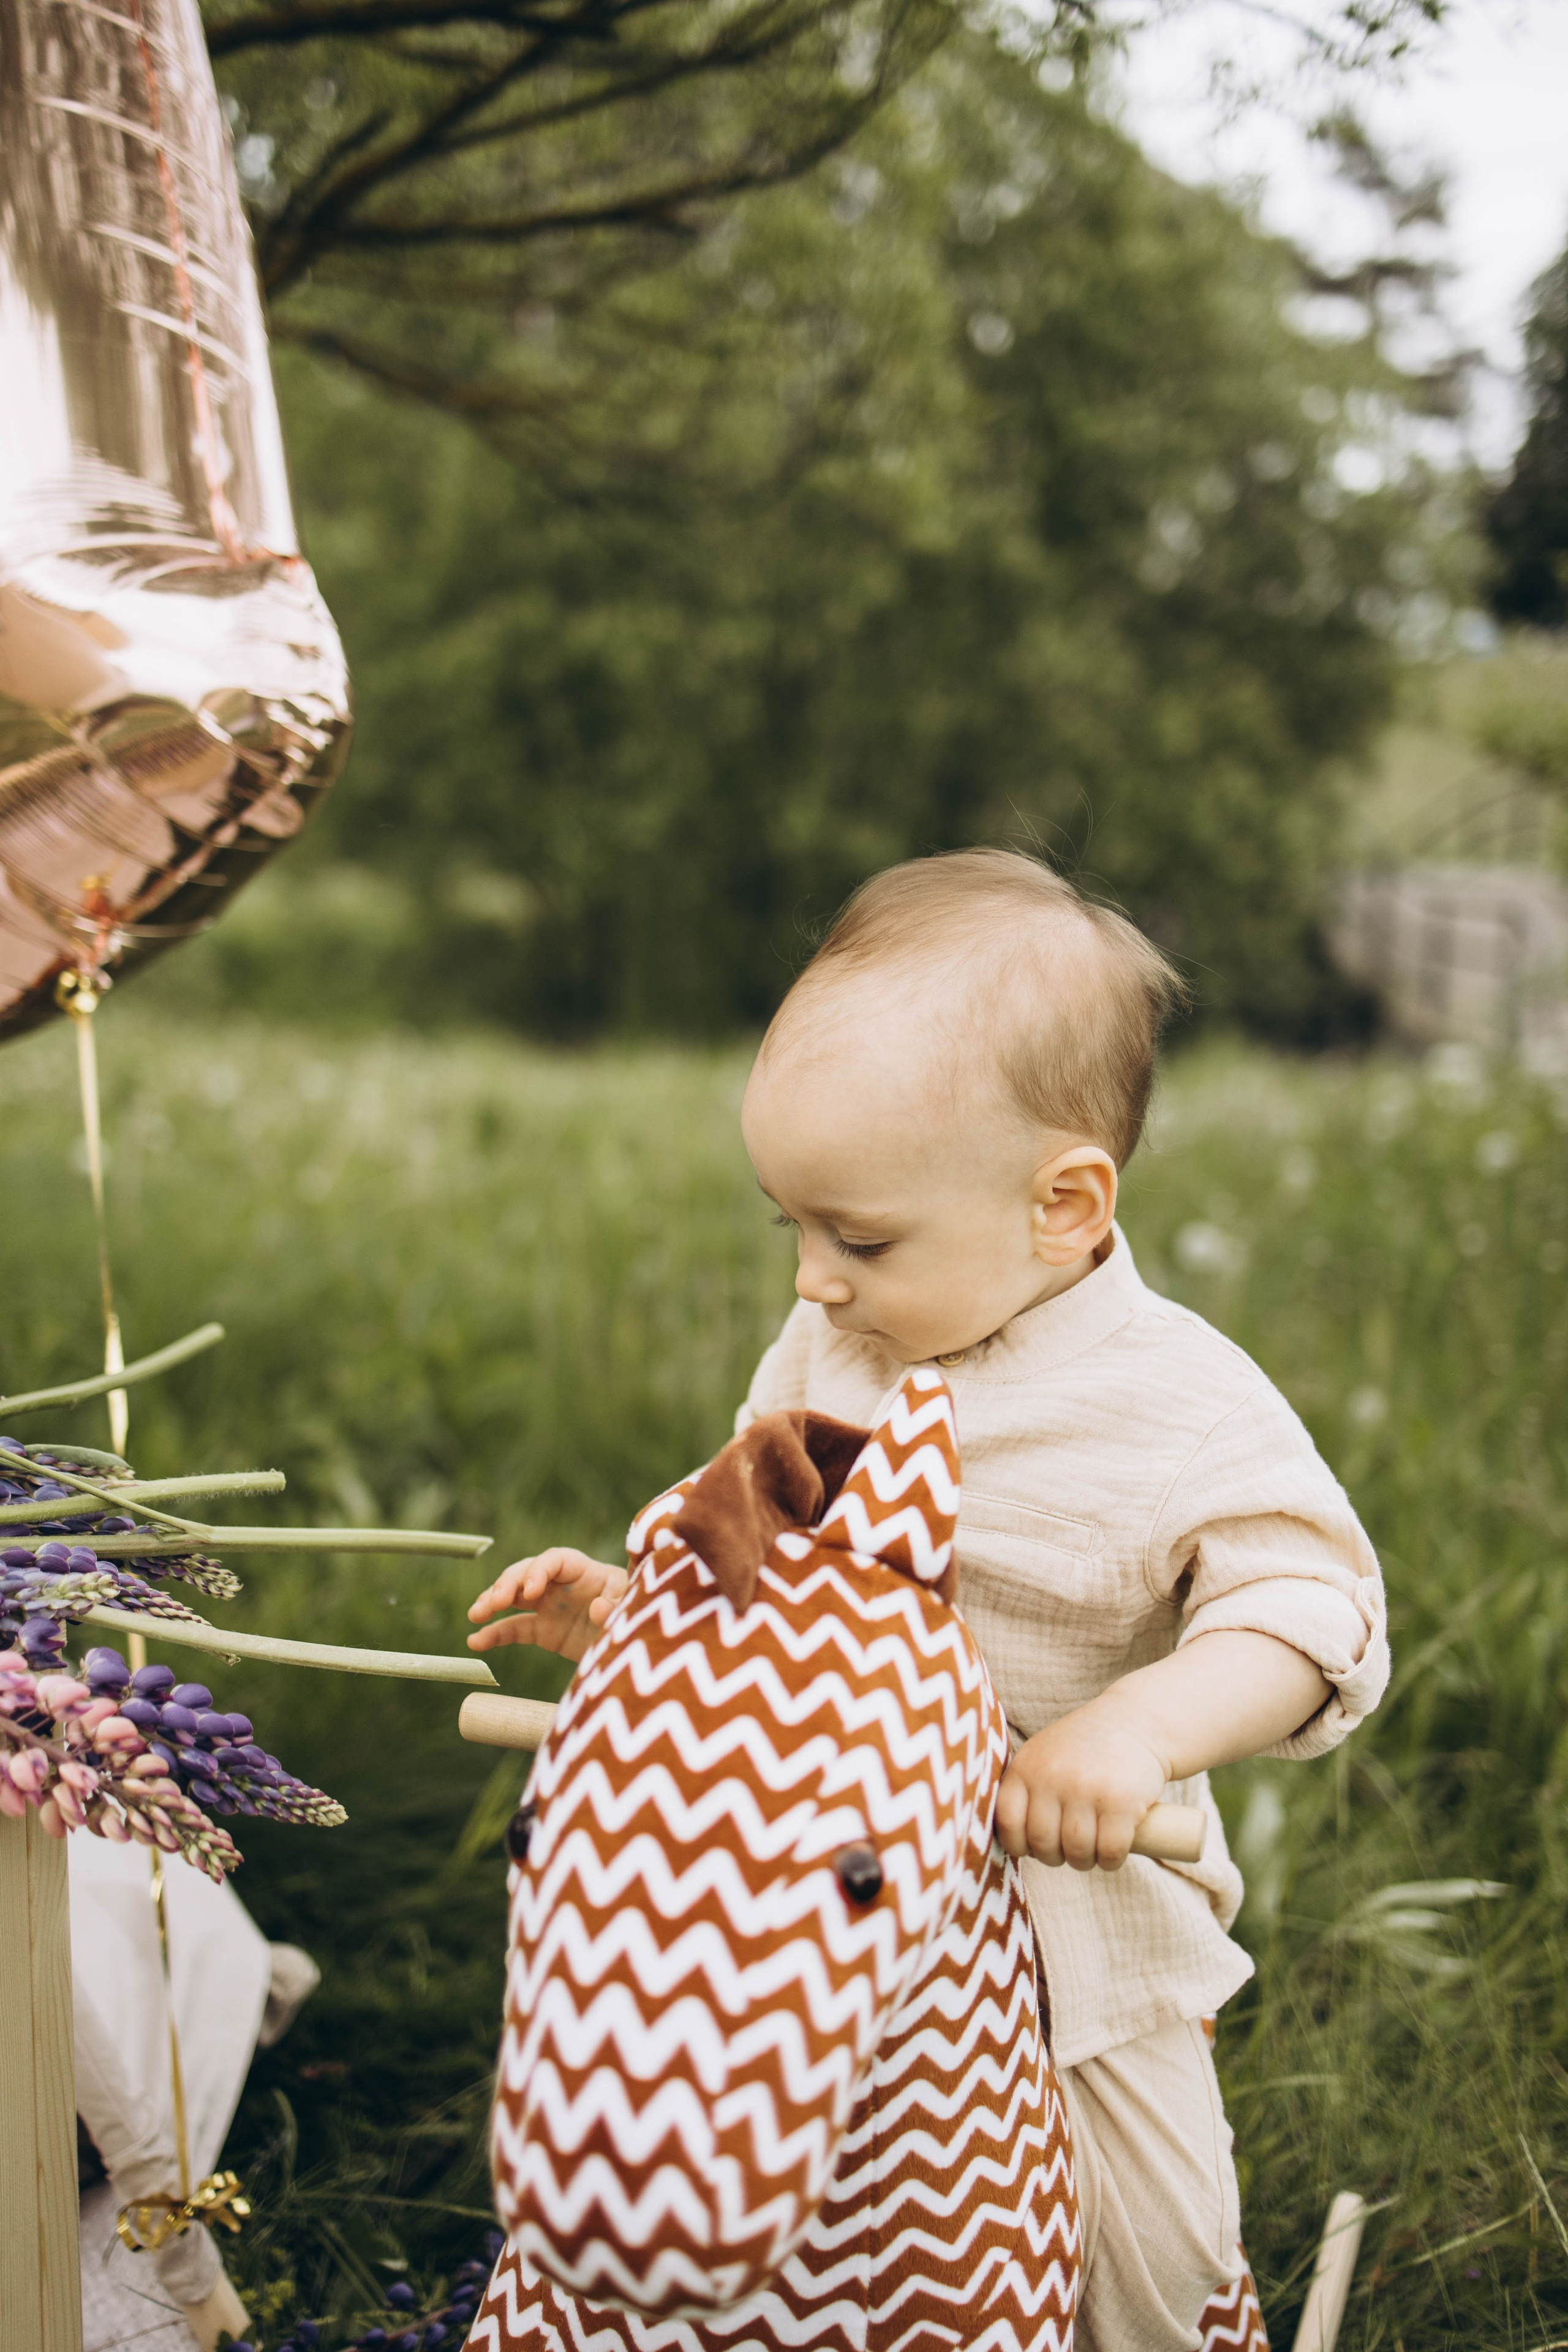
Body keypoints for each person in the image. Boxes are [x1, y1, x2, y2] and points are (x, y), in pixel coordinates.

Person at [467, 848, 1389, 2352]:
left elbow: (1307, 1612)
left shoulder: (1178, 1405)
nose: (812, 1282)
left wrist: (1134, 1735)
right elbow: (771, 1569)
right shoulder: (831, 1355)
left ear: (1061, 1204)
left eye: (860, 1238)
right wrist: (642, 1614)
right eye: (791, 1228)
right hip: (816, 1885)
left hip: (1070, 1904)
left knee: (1154, 2250)